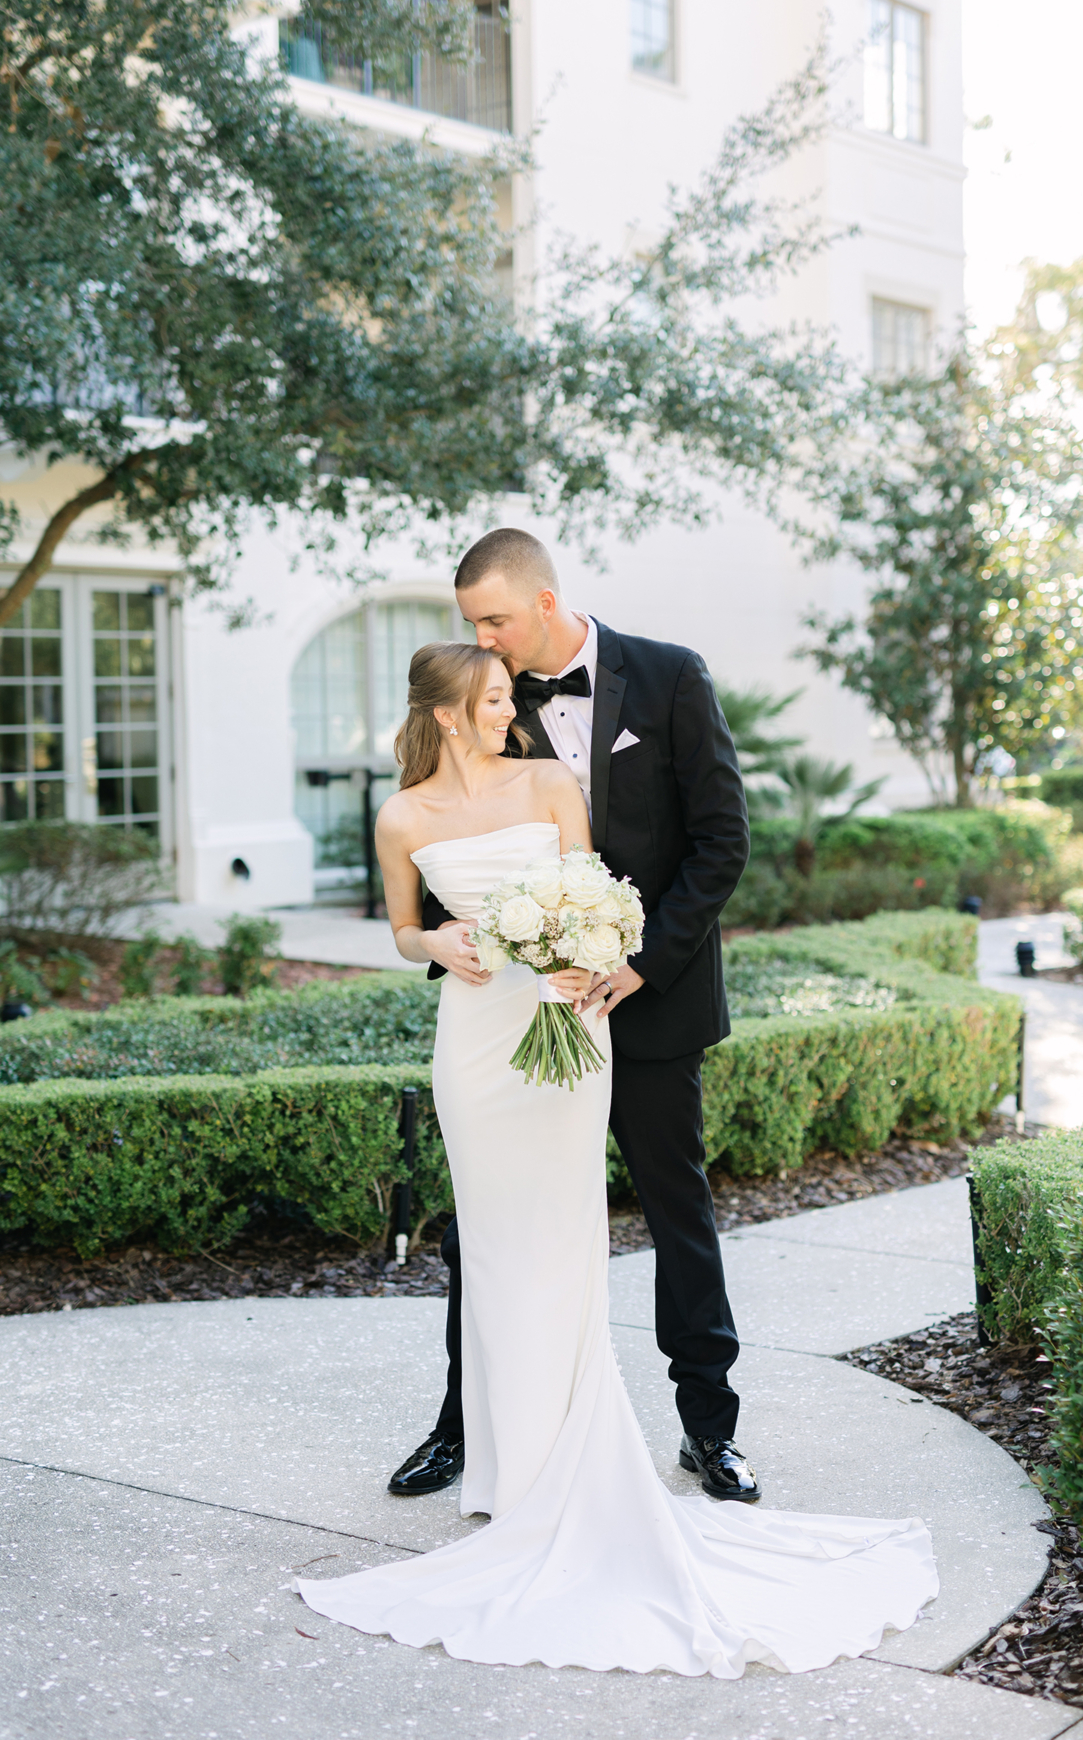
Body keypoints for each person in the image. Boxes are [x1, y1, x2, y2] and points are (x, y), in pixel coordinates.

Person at [295, 634, 937, 1674]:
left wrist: (588, 952)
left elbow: (596, 891)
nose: (515, 707)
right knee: (492, 1247)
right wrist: (434, 945)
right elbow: (405, 930)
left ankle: (612, 1453)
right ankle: (497, 1466)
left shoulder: (551, 780)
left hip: (568, 1022)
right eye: (495, 697)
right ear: (447, 713)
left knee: (569, 1238)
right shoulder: (401, 814)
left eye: (513, 690)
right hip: (474, 1044)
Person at [391, 526, 756, 1505]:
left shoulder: (671, 678)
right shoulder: (485, 700)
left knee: (678, 1212)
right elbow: (450, 848)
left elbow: (721, 844)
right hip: (513, 1015)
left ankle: (710, 1430)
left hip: (651, 1000)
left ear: (543, 604)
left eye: (495, 620)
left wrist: (639, 961)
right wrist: (442, 938)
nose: (485, 640)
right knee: (488, 1227)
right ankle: (467, 1430)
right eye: (471, 624)